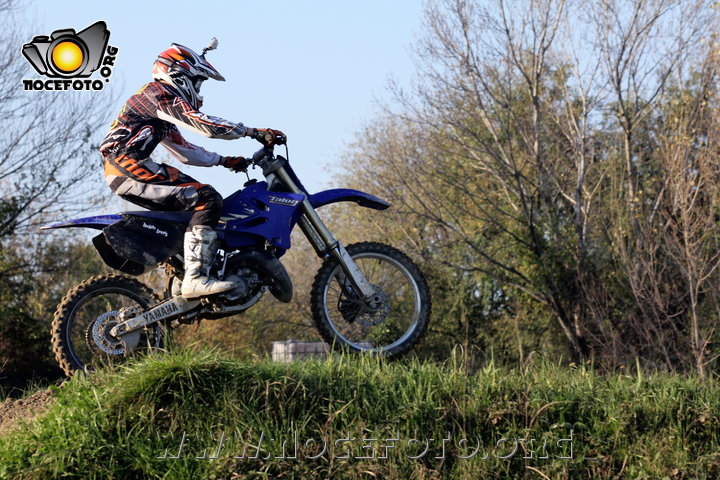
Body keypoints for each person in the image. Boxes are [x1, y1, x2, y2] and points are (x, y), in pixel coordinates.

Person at [99, 42, 285, 299]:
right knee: (206, 199)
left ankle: (182, 276)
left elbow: (184, 150)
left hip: (126, 166)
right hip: (127, 164)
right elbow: (201, 123)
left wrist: (224, 161)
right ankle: (195, 279)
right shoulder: (159, 94)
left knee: (190, 209)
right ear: (179, 75)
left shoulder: (158, 107)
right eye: (197, 82)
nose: (198, 90)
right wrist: (252, 132)